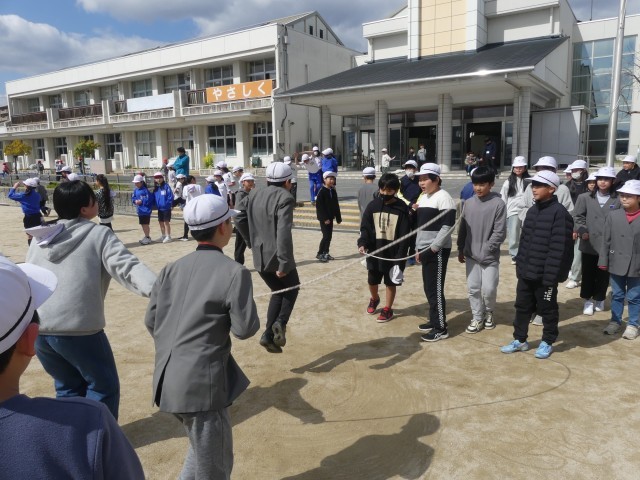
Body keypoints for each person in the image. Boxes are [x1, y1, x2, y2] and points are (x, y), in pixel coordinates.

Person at [145, 194, 259, 480]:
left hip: (167, 379)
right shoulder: (234, 272)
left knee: (199, 453)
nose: (231, 227)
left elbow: (152, 321)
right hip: (202, 386)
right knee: (215, 466)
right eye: (229, 222)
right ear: (222, 227)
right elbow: (245, 329)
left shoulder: (171, 269)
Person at [0, 256, 145, 479]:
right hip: (83, 332)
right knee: (101, 384)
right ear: (30, 340)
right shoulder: (89, 422)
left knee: (67, 384)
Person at [26, 180, 156, 418]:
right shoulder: (98, 233)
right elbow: (127, 267)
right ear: (85, 208)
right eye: (93, 199)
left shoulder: (40, 238)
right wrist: (160, 290)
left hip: (40, 328)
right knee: (102, 387)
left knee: (67, 388)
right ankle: (99, 436)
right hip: (79, 329)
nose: (97, 201)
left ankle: (74, 436)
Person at [500, 170, 574, 359]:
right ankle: (520, 339)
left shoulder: (560, 214)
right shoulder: (532, 211)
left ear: (552, 189)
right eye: (533, 185)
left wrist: (551, 277)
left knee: (548, 309)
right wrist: (520, 267)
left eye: (539, 185)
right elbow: (524, 242)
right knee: (522, 306)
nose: (534, 188)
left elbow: (560, 249)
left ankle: (547, 341)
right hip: (527, 272)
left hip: (546, 276)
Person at [235, 162, 299, 354]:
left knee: (278, 291)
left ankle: (268, 335)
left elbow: (238, 217)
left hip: (259, 254)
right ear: (287, 182)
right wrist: (284, 262)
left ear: (267, 179)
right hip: (277, 256)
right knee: (292, 287)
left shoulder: (254, 193)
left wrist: (250, 240)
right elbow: (283, 232)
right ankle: (280, 323)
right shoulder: (285, 197)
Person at [457, 167, 507, 334]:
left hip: (489, 256)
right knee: (473, 288)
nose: (478, 188)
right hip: (471, 255)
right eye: (475, 184)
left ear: (491, 184)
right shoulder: (468, 203)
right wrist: (461, 247)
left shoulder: (499, 204)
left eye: (482, 184)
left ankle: (489, 311)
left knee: (489, 289)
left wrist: (488, 249)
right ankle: (477, 317)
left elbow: (500, 232)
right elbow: (463, 228)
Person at [358, 173, 411, 323]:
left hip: (393, 254)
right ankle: (374, 298)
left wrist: (400, 258)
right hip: (375, 251)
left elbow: (405, 235)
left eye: (389, 190)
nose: (385, 193)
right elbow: (365, 228)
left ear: (396, 190)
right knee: (372, 280)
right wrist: (362, 243)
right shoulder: (373, 206)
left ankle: (388, 308)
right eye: (382, 189)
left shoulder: (402, 208)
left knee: (390, 282)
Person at [414, 163, 457, 342]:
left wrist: (433, 248)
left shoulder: (444, 197)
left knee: (435, 289)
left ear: (436, 179)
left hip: (436, 251)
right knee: (428, 287)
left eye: (425, 179)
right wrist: (418, 249)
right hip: (424, 248)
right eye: (420, 179)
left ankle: (440, 328)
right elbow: (421, 227)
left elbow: (448, 226)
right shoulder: (424, 197)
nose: (421, 183)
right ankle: (433, 320)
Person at [573, 167, 620, 316]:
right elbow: (578, 216)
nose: (602, 182)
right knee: (588, 272)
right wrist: (582, 230)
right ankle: (588, 300)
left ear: (613, 181)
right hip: (589, 242)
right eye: (600, 179)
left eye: (606, 179)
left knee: (603, 273)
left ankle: (599, 298)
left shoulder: (618, 199)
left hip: (609, 243)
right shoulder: (585, 197)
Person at [599, 179, 640, 339]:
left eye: (629, 196)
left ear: (638, 198)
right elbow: (606, 240)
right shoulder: (613, 215)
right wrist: (603, 261)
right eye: (622, 195)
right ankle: (615, 321)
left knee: (634, 296)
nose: (624, 198)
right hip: (616, 261)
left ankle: (633, 324)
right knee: (617, 294)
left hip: (637, 263)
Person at [564, 159, 589, 289]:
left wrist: (578, 226)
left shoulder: (589, 185)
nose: (574, 172)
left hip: (583, 222)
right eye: (572, 170)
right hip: (569, 220)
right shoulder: (567, 186)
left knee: (579, 251)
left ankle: (575, 277)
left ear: (583, 170)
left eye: (576, 170)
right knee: (569, 249)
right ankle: (571, 271)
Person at [500, 156, 530, 264]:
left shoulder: (529, 181)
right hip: (513, 210)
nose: (518, 169)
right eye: (516, 167)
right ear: (513, 169)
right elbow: (503, 198)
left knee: (527, 233)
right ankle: (514, 255)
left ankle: (525, 253)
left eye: (520, 167)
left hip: (527, 210)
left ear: (525, 168)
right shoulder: (508, 182)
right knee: (514, 233)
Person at [315, 171, 342, 262]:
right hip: (324, 219)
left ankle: (326, 252)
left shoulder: (333, 191)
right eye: (330, 179)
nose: (332, 180)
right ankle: (320, 253)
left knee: (329, 236)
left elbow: (336, 205)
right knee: (326, 236)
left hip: (331, 218)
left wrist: (338, 217)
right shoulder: (322, 191)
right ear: (324, 179)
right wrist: (324, 219)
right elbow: (319, 207)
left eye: (333, 179)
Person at [398, 160, 421, 266]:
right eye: (407, 168)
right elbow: (399, 195)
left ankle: (412, 255)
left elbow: (423, 193)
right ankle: (402, 255)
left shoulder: (419, 180)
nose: (409, 170)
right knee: (404, 233)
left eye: (411, 168)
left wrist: (415, 206)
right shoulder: (402, 181)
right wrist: (410, 205)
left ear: (416, 169)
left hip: (417, 210)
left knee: (414, 234)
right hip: (405, 210)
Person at [8, 178, 42, 245]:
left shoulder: (23, 195)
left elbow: (10, 195)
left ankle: (31, 248)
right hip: (38, 216)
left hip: (29, 217)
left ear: (26, 186)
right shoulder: (38, 195)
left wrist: (14, 187)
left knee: (30, 235)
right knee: (38, 234)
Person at [233, 173, 255, 265]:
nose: (250, 183)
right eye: (248, 181)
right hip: (243, 224)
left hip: (250, 223)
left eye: (252, 181)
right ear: (243, 182)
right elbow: (239, 212)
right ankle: (238, 265)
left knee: (240, 246)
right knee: (240, 247)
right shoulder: (241, 194)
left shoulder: (252, 192)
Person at [131, 174, 154, 245]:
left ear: (141, 182)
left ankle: (147, 237)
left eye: (137, 183)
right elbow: (133, 198)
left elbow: (149, 199)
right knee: (142, 224)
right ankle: (146, 236)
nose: (136, 184)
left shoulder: (146, 190)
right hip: (140, 210)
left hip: (146, 210)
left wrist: (142, 201)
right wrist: (135, 201)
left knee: (145, 224)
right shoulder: (135, 190)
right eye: (135, 183)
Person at [179, 175, 203, 241]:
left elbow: (184, 197)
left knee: (187, 221)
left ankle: (185, 236)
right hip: (198, 206)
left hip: (189, 206)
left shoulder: (185, 187)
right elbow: (203, 195)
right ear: (192, 179)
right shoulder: (199, 186)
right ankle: (200, 235)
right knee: (198, 221)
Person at [153, 172, 173, 243]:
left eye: (160, 178)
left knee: (166, 222)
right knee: (160, 222)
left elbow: (170, 196)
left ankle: (168, 236)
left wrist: (167, 204)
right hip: (160, 209)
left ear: (162, 178)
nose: (158, 179)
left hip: (166, 208)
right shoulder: (156, 188)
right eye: (156, 178)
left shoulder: (166, 186)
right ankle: (163, 235)